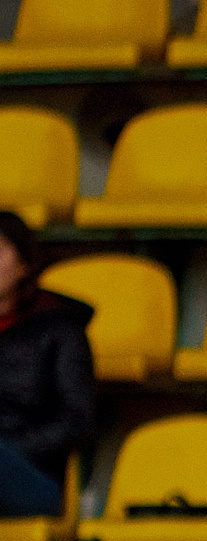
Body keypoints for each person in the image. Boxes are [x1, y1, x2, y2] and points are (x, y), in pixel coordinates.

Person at [0, 214, 94, 522]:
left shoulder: (61, 329)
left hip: (33, 477)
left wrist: (13, 450)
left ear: (24, 264)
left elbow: (77, 420)